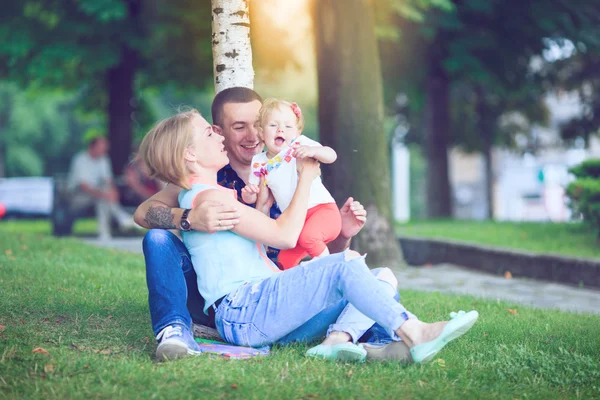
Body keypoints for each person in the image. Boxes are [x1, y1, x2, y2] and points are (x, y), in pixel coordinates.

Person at [137, 108, 479, 364]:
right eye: (208, 133)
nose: (218, 135)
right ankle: (413, 331)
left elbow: (264, 250)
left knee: (379, 277)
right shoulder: (212, 200)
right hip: (245, 311)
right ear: (189, 154)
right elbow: (285, 236)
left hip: (260, 309)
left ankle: (341, 344)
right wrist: (306, 178)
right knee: (345, 264)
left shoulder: (212, 197)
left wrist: (265, 206)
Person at [242, 99, 341, 269]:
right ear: (260, 132)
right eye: (273, 125)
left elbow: (331, 155)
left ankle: (331, 269)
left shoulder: (300, 145)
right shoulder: (259, 161)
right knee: (284, 260)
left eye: (288, 127)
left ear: (297, 131)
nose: (281, 130)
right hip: (295, 222)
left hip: (323, 210)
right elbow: (254, 196)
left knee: (309, 237)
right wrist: (249, 194)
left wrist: (314, 151)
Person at [67, 136, 136, 240]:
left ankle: (105, 233)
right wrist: (105, 194)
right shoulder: (80, 159)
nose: (105, 150)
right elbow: (83, 185)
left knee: (103, 199)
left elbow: (108, 180)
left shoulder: (103, 159)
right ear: (92, 147)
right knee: (103, 197)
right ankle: (120, 218)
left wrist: (113, 192)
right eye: (102, 147)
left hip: (97, 193)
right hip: (78, 195)